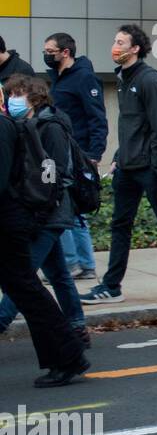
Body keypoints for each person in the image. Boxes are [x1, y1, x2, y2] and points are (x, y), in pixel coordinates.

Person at [0, 83, 89, 387]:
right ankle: (69, 354)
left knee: (27, 289)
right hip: (14, 220)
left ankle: (68, 355)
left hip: (9, 222)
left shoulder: (3, 128)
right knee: (30, 288)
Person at [81, 24, 157, 304]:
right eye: (115, 40)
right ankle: (111, 286)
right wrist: (119, 157)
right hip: (128, 166)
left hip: (150, 167)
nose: (116, 46)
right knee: (119, 224)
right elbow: (132, 127)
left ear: (135, 49)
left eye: (121, 42)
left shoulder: (149, 81)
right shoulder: (124, 78)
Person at [45, 32, 107, 281]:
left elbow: (97, 117)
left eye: (50, 51)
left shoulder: (84, 78)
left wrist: (94, 153)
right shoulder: (57, 77)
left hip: (78, 154)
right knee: (74, 210)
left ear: (65, 52)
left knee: (66, 207)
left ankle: (73, 263)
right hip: (63, 150)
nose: (47, 55)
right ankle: (84, 264)